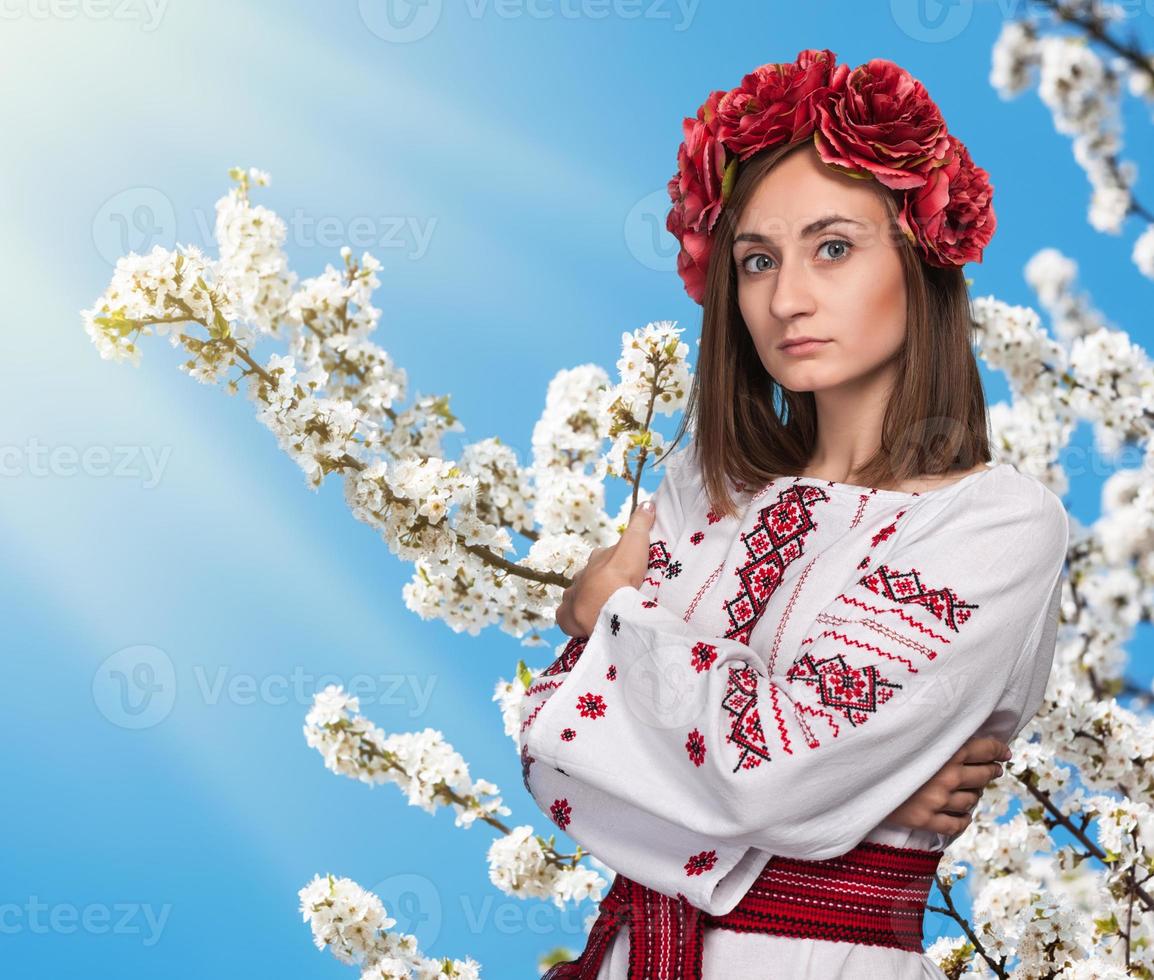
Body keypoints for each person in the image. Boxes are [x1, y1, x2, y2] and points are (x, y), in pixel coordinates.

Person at [519, 49, 1069, 979]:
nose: (786, 299)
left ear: (920, 259)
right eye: (756, 261)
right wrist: (867, 787)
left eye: (834, 248)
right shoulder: (703, 486)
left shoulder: (997, 523)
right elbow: (552, 748)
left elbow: (775, 771)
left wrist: (602, 619)